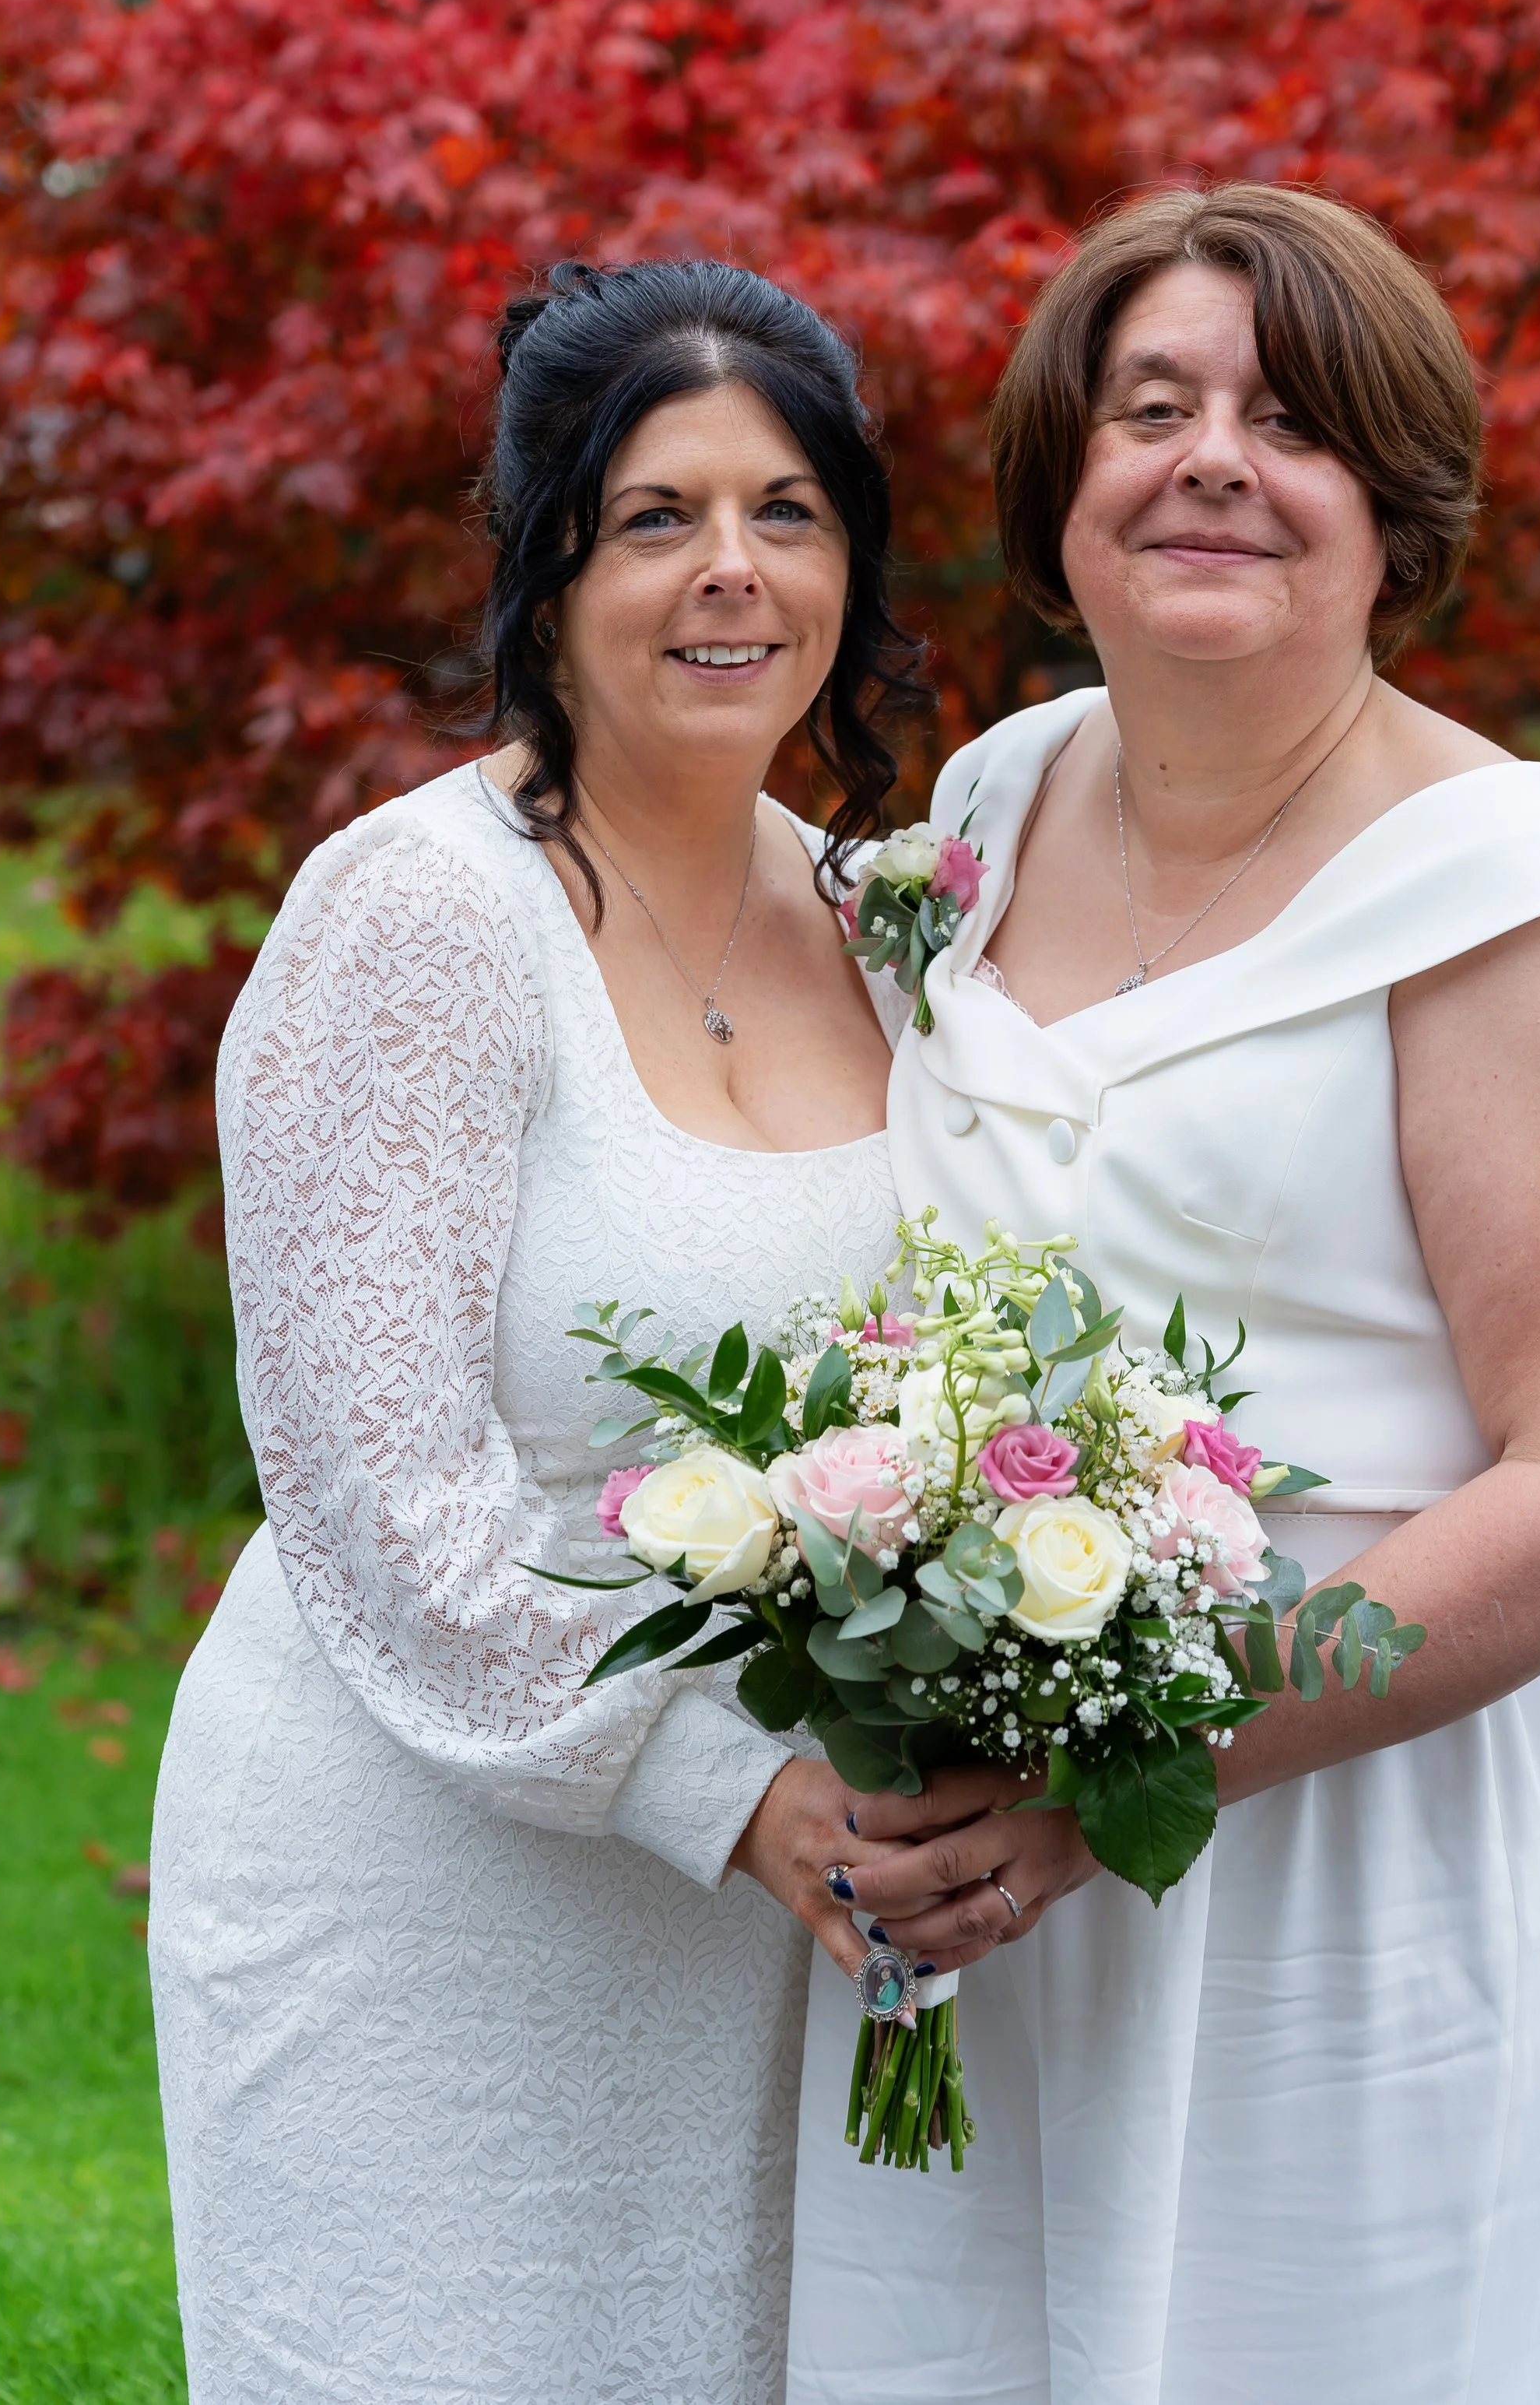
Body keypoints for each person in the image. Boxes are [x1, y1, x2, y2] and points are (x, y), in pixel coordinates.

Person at [786, 186, 1540, 2405]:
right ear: (1062, 487)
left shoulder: (1502, 894)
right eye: (1151, 406)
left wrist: (1141, 1760)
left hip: (1337, 1839)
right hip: (974, 1817)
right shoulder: (992, 803)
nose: (1211, 457)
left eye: (1290, 419)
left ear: (1390, 514)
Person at [149, 258, 930, 2404]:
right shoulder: (418, 916)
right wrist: (718, 1780)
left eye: (786, 511)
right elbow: (376, 1490)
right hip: (429, 1880)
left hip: (773, 1911)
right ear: (544, 556)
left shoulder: (884, 921)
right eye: (652, 514)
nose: (729, 574)